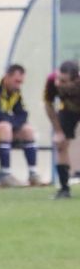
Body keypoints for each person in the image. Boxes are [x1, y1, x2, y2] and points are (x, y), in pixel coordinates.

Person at [0, 64, 39, 188]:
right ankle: (5, 175)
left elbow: (23, 114)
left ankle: (33, 174)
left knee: (28, 130)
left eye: (21, 82)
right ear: (7, 77)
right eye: (17, 81)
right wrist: (12, 121)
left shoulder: (16, 92)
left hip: (5, 125)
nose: (19, 85)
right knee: (5, 127)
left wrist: (14, 122)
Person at [43, 59, 80, 199]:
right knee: (61, 144)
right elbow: (48, 104)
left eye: (63, 81)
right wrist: (58, 131)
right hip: (68, 109)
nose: (58, 83)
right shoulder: (52, 80)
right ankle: (64, 189)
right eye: (58, 78)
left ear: (76, 80)